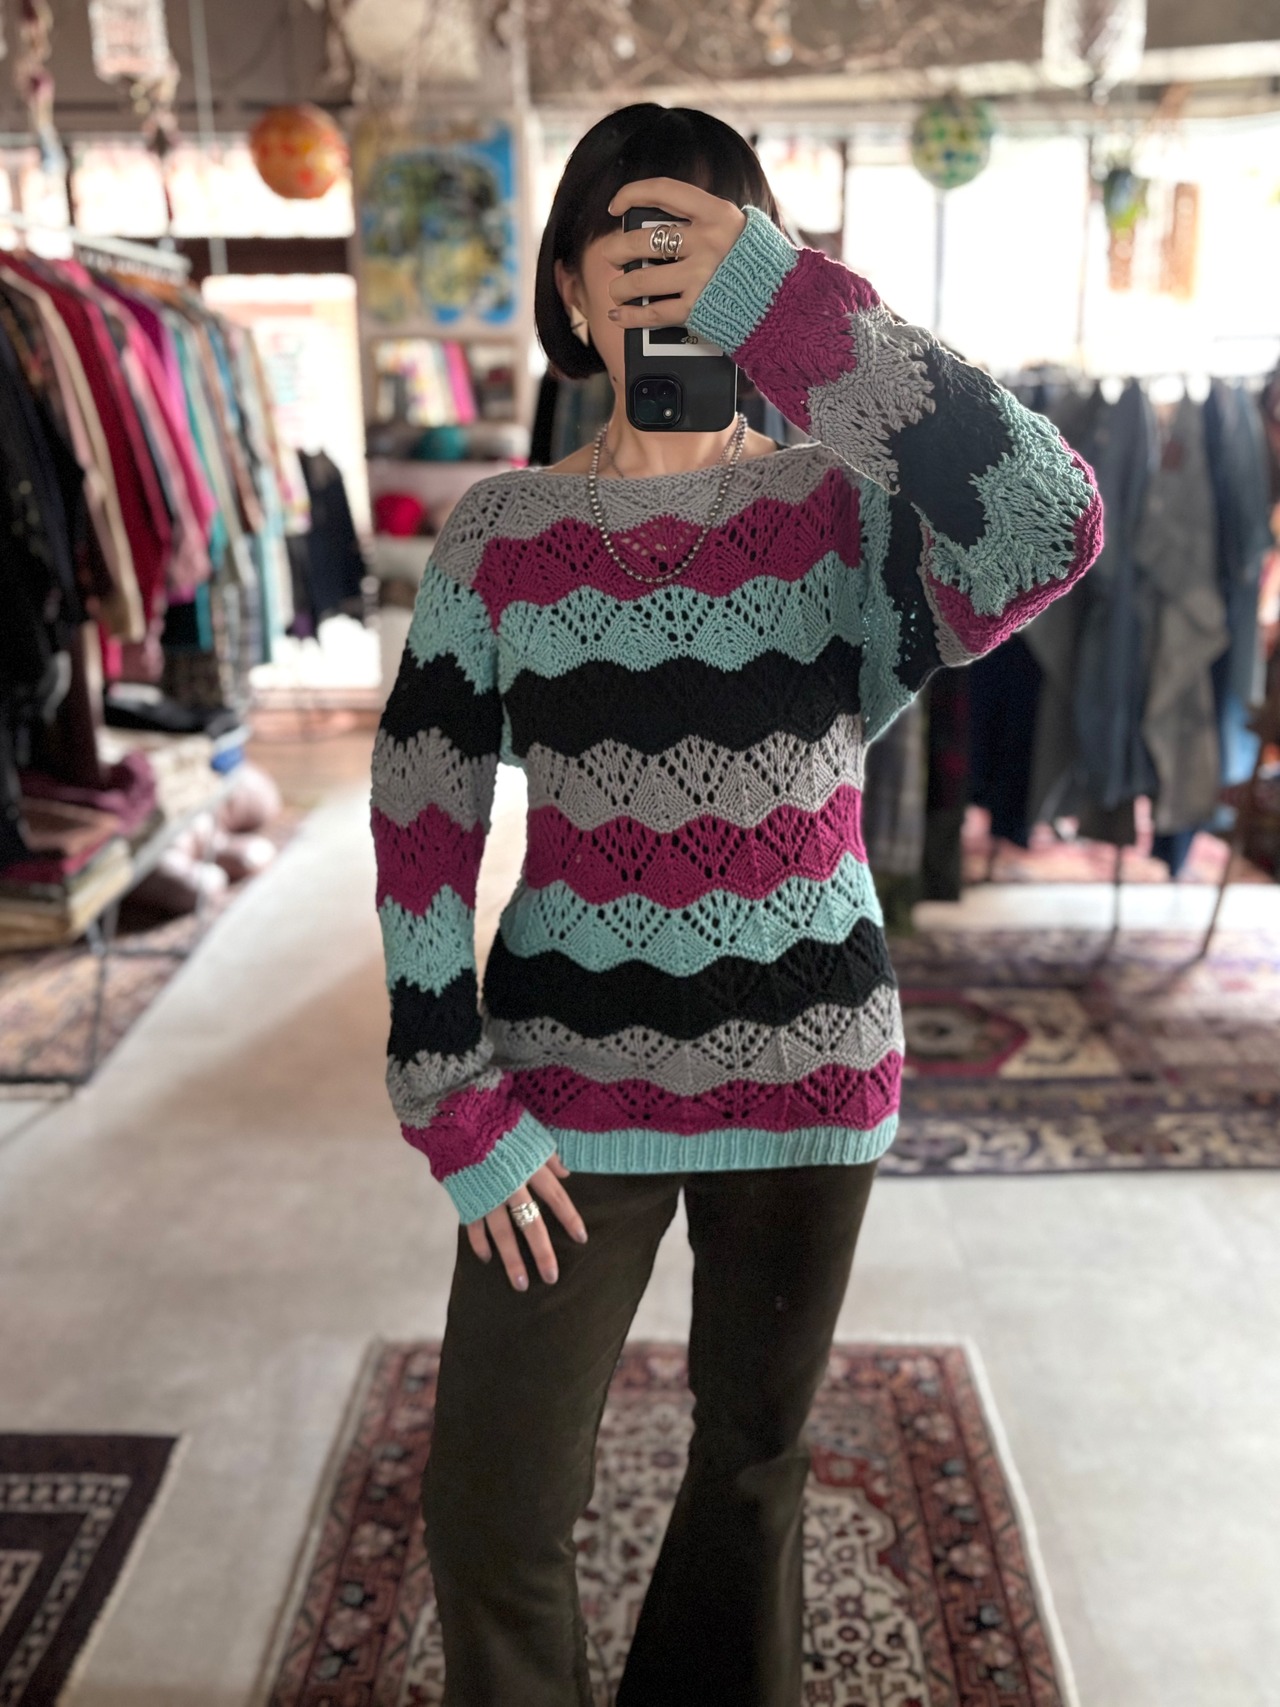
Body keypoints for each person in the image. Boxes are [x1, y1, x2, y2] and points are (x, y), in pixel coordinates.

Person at [371, 103, 1102, 1707]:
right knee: (490, 1505)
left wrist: (798, 307)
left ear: (761, 270)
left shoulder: (845, 520)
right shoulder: (499, 538)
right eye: (626, 242)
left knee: (753, 1468)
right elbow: (425, 812)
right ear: (570, 289)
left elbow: (1049, 521)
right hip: (561, 1090)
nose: (661, 274)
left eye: (702, 244)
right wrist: (448, 1088)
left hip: (808, 1076)